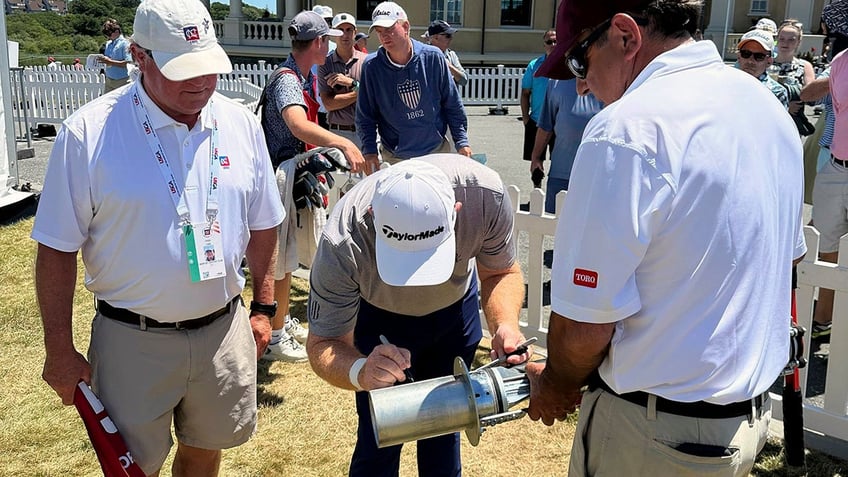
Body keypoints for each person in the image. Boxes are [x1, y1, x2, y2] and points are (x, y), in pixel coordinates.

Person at [526, 1, 806, 476]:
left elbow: (585, 326)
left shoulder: (625, 129)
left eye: (580, 60)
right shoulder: (765, 107)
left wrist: (555, 383)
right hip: (743, 422)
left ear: (625, 36)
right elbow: (785, 265)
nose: (580, 82)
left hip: (654, 433)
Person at [31, 0, 285, 475]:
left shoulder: (239, 124)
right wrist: (59, 350)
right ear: (138, 57)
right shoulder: (88, 133)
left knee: (206, 450)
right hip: (132, 338)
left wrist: (264, 307)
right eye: (181, 69)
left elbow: (264, 221)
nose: (201, 83)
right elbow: (56, 248)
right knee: (133, 467)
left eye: (208, 66)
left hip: (222, 330)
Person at [305, 155, 528, 477]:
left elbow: (500, 271)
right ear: (372, 216)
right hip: (380, 320)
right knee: (380, 430)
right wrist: (361, 371)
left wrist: (505, 325)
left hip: (455, 314)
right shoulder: (343, 239)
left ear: (456, 211)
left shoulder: (485, 195)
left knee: (448, 422)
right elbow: (323, 343)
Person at [259, 10, 367, 363]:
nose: (333, 44)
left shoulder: (301, 75)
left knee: (286, 255)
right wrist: (342, 142)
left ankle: (280, 323)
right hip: (278, 178)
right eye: (329, 39)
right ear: (319, 42)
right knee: (278, 257)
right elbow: (296, 124)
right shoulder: (289, 80)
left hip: (290, 176)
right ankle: (274, 336)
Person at [357, 2, 472, 165]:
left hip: (435, 152)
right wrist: (369, 152)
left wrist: (462, 141)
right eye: (379, 31)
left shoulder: (433, 57)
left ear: (405, 27)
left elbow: (452, 103)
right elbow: (365, 116)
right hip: (395, 156)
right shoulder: (371, 66)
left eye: (389, 29)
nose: (384, 36)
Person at [529, 78, 602, 214]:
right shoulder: (556, 82)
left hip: (597, 175)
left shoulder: (611, 79)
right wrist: (536, 157)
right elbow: (546, 125)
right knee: (555, 225)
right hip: (561, 171)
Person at [318, 12, 367, 149]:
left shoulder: (367, 62)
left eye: (349, 30)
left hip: (365, 132)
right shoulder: (325, 64)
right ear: (333, 33)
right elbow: (328, 104)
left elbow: (375, 96)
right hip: (337, 132)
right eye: (340, 30)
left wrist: (350, 83)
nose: (345, 35)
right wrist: (360, 91)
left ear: (355, 32)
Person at [521, 29, 556, 187]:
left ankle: (555, 194)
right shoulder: (534, 66)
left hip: (559, 123)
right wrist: (526, 118)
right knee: (536, 162)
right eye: (549, 42)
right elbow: (525, 93)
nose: (553, 45)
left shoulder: (567, 65)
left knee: (559, 162)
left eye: (556, 41)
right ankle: (537, 192)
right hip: (536, 121)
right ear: (544, 44)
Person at [774, 19, 816, 135]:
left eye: (791, 40)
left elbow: (811, 95)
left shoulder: (805, 66)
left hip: (793, 126)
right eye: (782, 39)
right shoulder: (766, 63)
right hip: (768, 122)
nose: (785, 43)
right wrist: (785, 107)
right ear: (777, 40)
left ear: (798, 42)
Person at [736, 28, 790, 108]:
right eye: (746, 54)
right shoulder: (725, 84)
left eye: (759, 56)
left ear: (769, 61)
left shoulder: (777, 92)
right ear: (739, 57)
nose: (751, 61)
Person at [311, 4, 336, 129]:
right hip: (311, 110)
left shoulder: (336, 49)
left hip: (332, 111)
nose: (324, 25)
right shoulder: (305, 50)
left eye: (328, 21)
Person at [422, 20, 468, 86]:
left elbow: (464, 81)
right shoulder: (422, 56)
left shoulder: (451, 55)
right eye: (448, 36)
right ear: (436, 37)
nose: (451, 38)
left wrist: (449, 66)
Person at [99, 19, 132, 93]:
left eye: (109, 33)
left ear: (116, 31)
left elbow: (128, 64)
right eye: (106, 34)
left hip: (122, 80)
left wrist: (110, 62)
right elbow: (108, 60)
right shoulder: (108, 44)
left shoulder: (125, 43)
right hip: (109, 79)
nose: (107, 36)